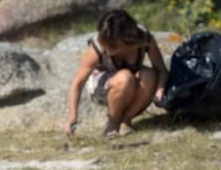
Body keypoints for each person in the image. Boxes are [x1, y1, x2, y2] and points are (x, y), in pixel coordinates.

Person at [65, 9, 168, 137]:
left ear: (126, 38)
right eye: (105, 43)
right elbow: (78, 81)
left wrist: (160, 90)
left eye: (112, 44)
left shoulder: (144, 39)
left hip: (132, 83)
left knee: (150, 75)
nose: (106, 48)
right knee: (124, 77)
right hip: (104, 86)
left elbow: (161, 70)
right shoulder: (98, 43)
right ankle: (113, 122)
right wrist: (72, 115)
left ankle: (126, 120)